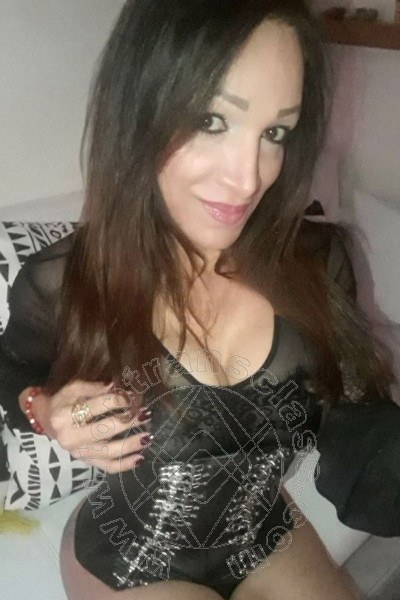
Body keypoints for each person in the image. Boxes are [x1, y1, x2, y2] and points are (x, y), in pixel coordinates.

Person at [1, 0, 399, 598]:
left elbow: (355, 421)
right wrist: (44, 407)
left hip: (262, 531)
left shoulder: (315, 261)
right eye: (212, 120)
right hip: (132, 553)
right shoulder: (70, 278)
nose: (249, 178)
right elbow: (11, 370)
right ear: (141, 112)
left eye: (275, 133)